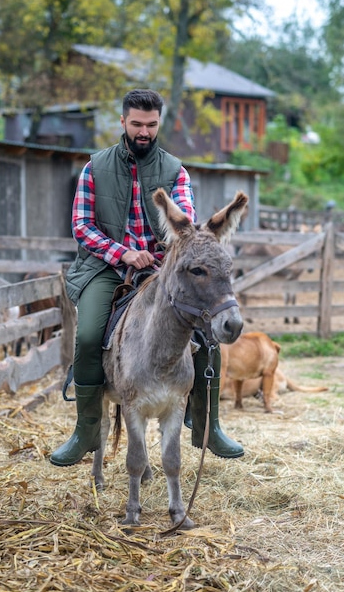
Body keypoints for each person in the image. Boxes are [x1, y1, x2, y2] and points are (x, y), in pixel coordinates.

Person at [50, 88, 243, 468]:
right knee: (89, 335)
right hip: (105, 268)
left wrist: (161, 254)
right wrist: (121, 253)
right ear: (122, 122)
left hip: (160, 268)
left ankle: (207, 425)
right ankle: (86, 429)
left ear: (159, 124)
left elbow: (184, 218)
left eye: (151, 125)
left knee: (206, 333)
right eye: (136, 124)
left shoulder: (176, 170)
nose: (144, 131)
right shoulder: (95, 167)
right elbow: (82, 225)